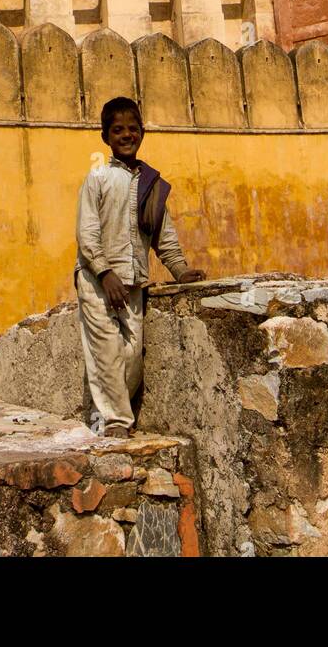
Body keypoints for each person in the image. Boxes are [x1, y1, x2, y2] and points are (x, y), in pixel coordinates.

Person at [74, 95, 205, 437]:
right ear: (106, 137)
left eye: (133, 129)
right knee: (105, 350)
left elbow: (164, 236)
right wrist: (104, 273)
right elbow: (86, 234)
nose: (126, 135)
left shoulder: (152, 185)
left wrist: (180, 271)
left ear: (142, 133)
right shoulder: (98, 178)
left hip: (133, 283)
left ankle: (108, 413)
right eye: (118, 130)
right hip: (97, 282)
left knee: (131, 357)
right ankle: (116, 423)